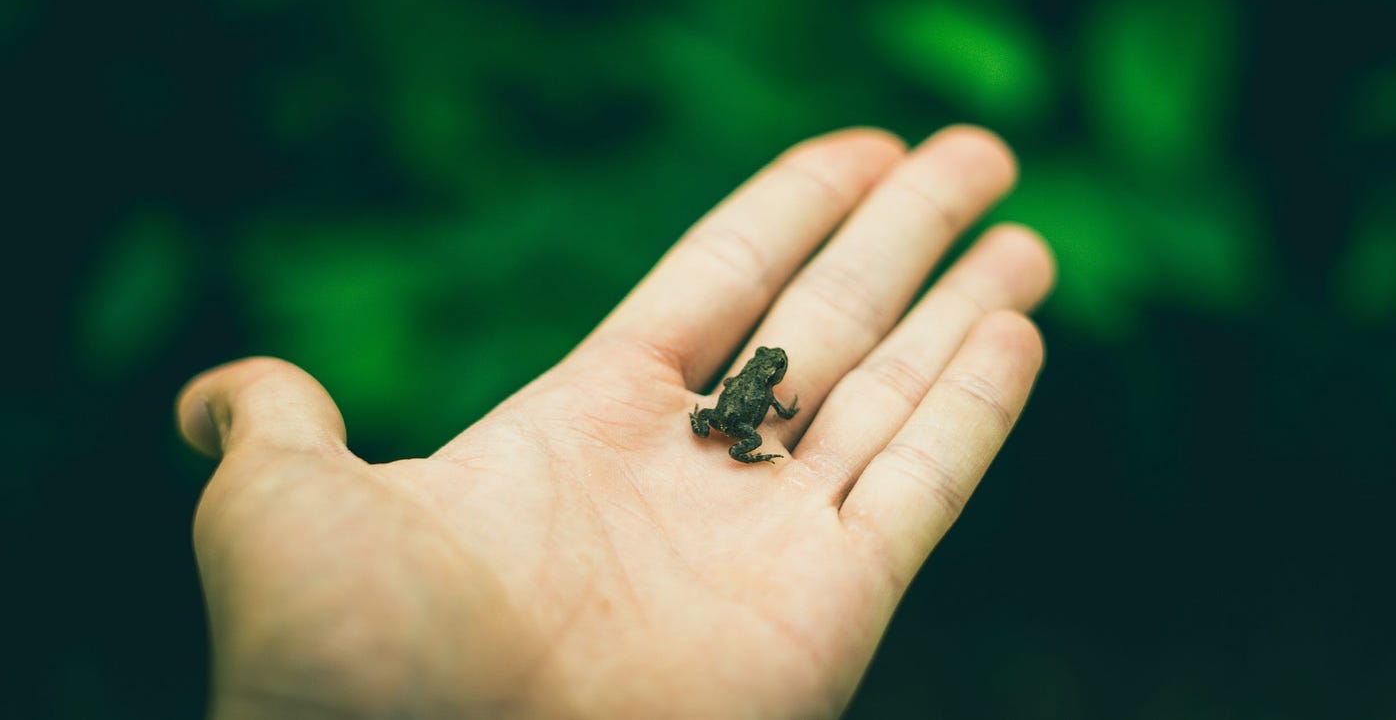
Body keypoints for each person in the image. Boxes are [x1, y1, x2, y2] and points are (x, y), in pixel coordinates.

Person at [176, 125, 1056, 719]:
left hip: (721, 419)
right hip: (723, 423)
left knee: (736, 422)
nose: (774, 369)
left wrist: (754, 421)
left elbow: (766, 399)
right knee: (738, 426)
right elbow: (762, 403)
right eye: (772, 366)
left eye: (774, 370)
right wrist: (756, 433)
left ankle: (743, 451)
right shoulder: (755, 384)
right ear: (763, 367)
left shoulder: (756, 383)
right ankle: (746, 455)